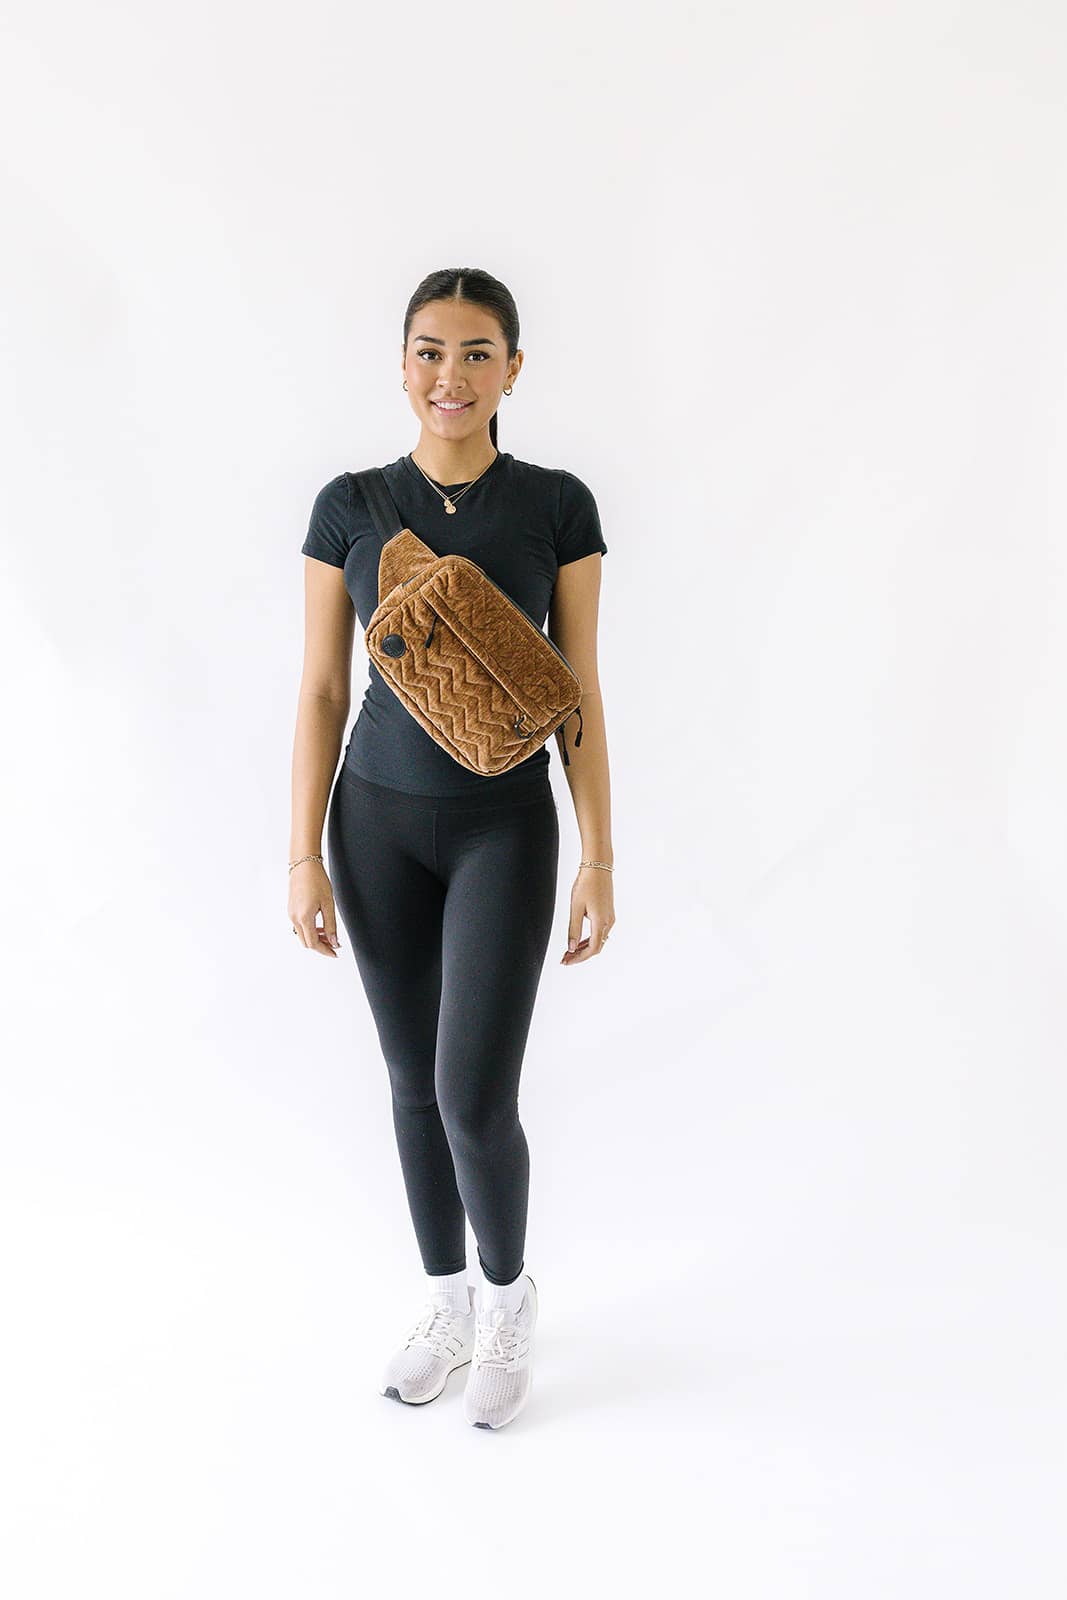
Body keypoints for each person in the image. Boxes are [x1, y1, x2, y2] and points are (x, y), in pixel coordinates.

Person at [287, 267, 614, 1430]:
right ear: (401, 364)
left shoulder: (555, 507)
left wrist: (597, 854)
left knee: (472, 1095)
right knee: (408, 1083)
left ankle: (507, 1296)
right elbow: (323, 689)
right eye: (430, 350)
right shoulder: (350, 505)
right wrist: (301, 853)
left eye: (477, 353)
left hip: (501, 828)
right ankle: (445, 1305)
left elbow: (576, 693)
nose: (450, 375)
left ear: (512, 368)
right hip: (372, 824)